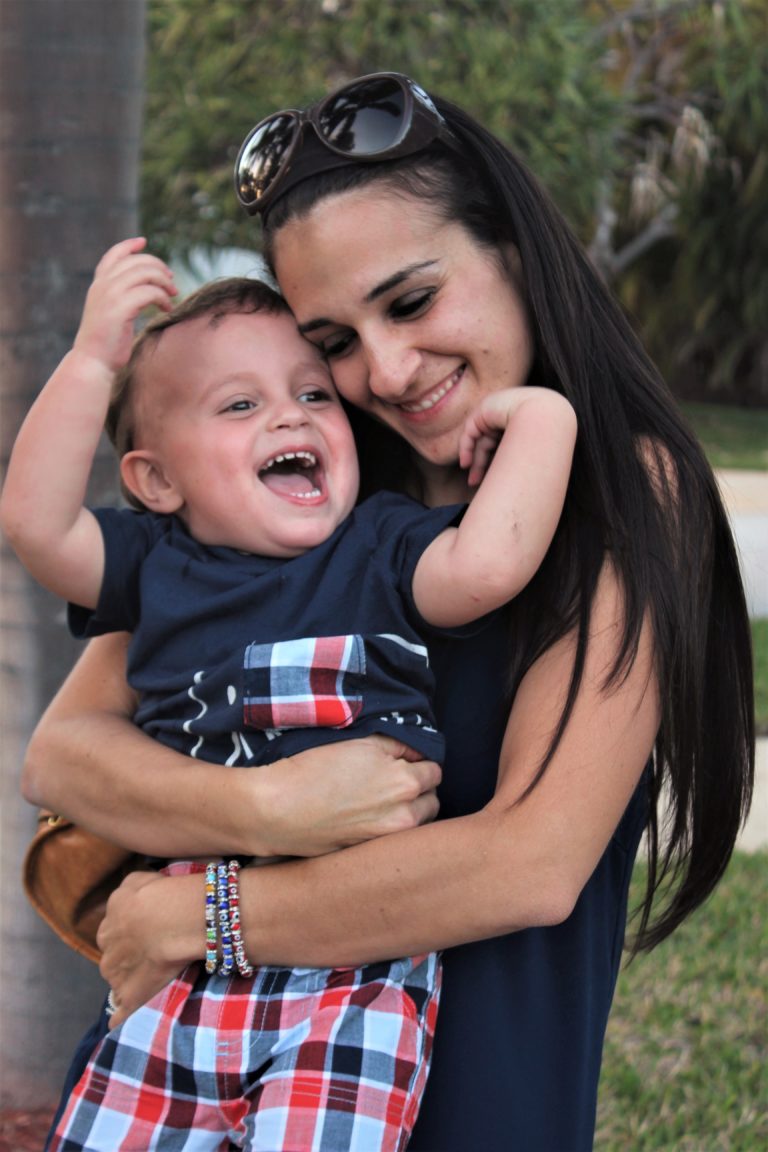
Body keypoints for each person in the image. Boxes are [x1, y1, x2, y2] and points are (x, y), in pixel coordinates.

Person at [21, 73, 753, 1152]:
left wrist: (202, 914)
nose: (388, 371)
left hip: (474, 1091)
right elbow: (66, 756)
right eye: (335, 342)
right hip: (196, 1067)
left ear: (512, 249)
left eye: (410, 302)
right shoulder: (307, 498)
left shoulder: (630, 488)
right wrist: (271, 810)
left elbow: (530, 863)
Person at [1, 239, 575, 1151]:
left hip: (351, 960)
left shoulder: (381, 543)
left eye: (313, 394)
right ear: (156, 480)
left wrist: (544, 418)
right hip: (180, 964)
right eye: (240, 404)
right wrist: (91, 362)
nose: (288, 416)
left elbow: (490, 566)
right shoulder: (156, 566)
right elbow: (34, 524)